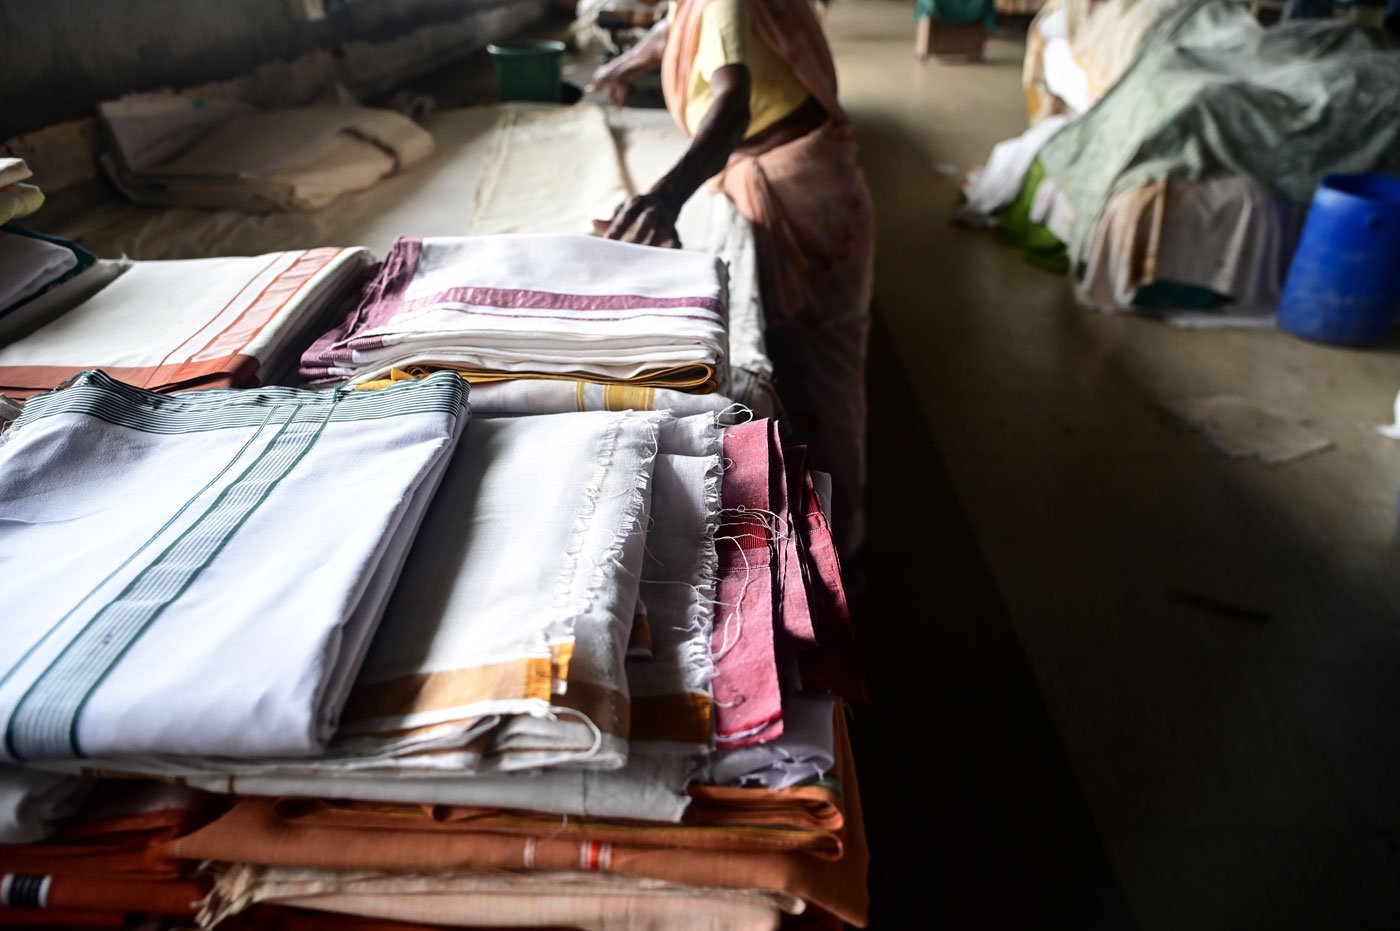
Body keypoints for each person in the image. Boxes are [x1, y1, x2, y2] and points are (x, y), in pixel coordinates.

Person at [589, 0, 875, 553]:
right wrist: (624, 65)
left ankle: (842, 553)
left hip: (804, 194)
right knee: (810, 368)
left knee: (824, 375)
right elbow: (684, 27)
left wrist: (663, 198)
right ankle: (827, 531)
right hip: (807, 174)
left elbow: (733, 100)